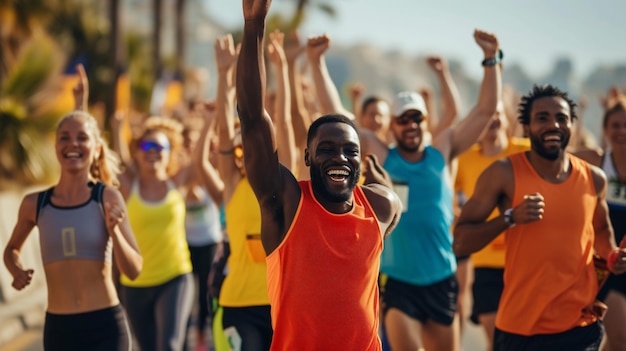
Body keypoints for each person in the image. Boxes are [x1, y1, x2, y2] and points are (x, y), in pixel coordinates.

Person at [236, 0, 403, 350]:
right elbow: (252, 120)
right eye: (326, 150)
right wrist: (254, 25)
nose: (339, 157)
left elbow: (394, 205)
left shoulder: (381, 207)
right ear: (308, 156)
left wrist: (382, 182)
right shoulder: (285, 203)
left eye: (350, 151)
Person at [453, 84, 626, 351]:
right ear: (526, 126)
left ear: (571, 124)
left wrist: (612, 255)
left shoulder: (594, 178)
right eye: (542, 118)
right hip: (522, 327)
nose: (553, 125)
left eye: (561, 118)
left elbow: (602, 231)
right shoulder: (503, 174)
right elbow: (461, 241)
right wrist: (510, 217)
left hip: (579, 324)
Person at [3, 64, 143, 350]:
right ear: (55, 146)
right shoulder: (35, 204)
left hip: (106, 326)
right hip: (59, 329)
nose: (72, 144)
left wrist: (115, 232)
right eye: (63, 138)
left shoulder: (106, 198)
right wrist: (15, 268)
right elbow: (11, 250)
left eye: (81, 138)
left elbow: (134, 270)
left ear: (96, 148)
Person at [111, 109, 203, 350]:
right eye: (147, 146)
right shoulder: (130, 188)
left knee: (169, 345)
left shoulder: (178, 182)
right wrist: (118, 129)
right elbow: (116, 160)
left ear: (170, 153)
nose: (152, 151)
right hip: (135, 283)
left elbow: (198, 162)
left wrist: (210, 123)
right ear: (138, 154)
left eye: (159, 147)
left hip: (175, 277)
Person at [454, 100, 530, 350]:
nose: (493, 120)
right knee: (497, 340)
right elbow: (454, 201)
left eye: (499, 114)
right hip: (484, 262)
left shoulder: (525, 151)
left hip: (522, 262)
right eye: (489, 115)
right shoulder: (464, 160)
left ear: (507, 120)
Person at [575, 95, 626, 351]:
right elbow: (553, 162)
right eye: (615, 125)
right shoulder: (595, 160)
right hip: (600, 263)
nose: (621, 131)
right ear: (605, 129)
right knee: (619, 338)